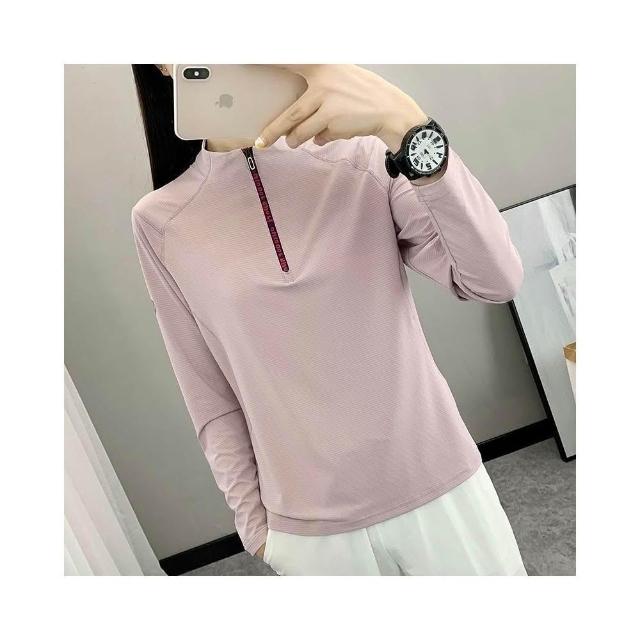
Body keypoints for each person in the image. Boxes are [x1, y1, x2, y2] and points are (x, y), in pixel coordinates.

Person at [131, 64, 527, 575]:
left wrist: (408, 126)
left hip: (441, 490)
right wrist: (258, 530)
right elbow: (208, 393)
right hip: (309, 536)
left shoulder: (362, 154)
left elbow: (494, 279)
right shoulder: (160, 222)